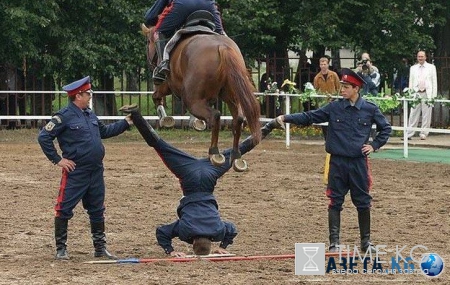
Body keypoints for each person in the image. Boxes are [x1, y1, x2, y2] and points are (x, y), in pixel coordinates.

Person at [119, 104, 274, 257]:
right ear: (192, 244)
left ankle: (270, 126)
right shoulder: (185, 231)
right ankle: (136, 114)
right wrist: (170, 251)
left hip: (209, 175)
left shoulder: (218, 231)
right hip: (188, 176)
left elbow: (232, 229)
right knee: (160, 145)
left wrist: (223, 246)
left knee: (238, 150)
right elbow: (161, 232)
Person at [269, 68, 391, 254]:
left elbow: (386, 129)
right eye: (341, 86)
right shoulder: (334, 107)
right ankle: (334, 243)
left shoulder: (370, 109)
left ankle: (366, 243)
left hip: (358, 163)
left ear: (356, 89)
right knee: (335, 202)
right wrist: (285, 118)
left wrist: (374, 145)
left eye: (346, 87)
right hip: (337, 163)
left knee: (363, 202)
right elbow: (310, 117)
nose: (342, 90)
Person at [37, 76, 133, 260]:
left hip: (96, 171)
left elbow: (104, 132)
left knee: (97, 209)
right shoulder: (63, 116)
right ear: (78, 95)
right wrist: (58, 160)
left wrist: (125, 123)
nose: (90, 96)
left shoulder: (90, 114)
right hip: (76, 172)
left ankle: (100, 248)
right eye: (88, 93)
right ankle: (61, 250)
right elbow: (44, 137)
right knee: (64, 208)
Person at [144, 0, 225, 82]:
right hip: (208, 4)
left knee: (158, 32)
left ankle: (163, 64)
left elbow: (151, 14)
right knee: (221, 34)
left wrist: (151, 21)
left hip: (183, 2)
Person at [405, 51, 437, 140]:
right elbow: (411, 82)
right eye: (419, 56)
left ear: (425, 57)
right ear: (417, 57)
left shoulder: (431, 67)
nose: (420, 58)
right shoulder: (413, 68)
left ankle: (424, 133)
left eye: (422, 56)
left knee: (426, 114)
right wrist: (411, 94)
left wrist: (433, 96)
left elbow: (434, 82)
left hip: (427, 93)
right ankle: (409, 133)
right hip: (416, 93)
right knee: (413, 113)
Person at [313, 56, 340, 140]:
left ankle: (335, 139)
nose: (323, 66)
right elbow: (316, 90)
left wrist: (336, 97)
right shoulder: (317, 78)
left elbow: (338, 87)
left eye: (325, 64)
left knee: (334, 121)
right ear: (320, 65)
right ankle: (326, 139)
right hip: (323, 103)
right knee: (323, 121)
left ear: (328, 65)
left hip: (333, 101)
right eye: (321, 64)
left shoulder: (334, 75)